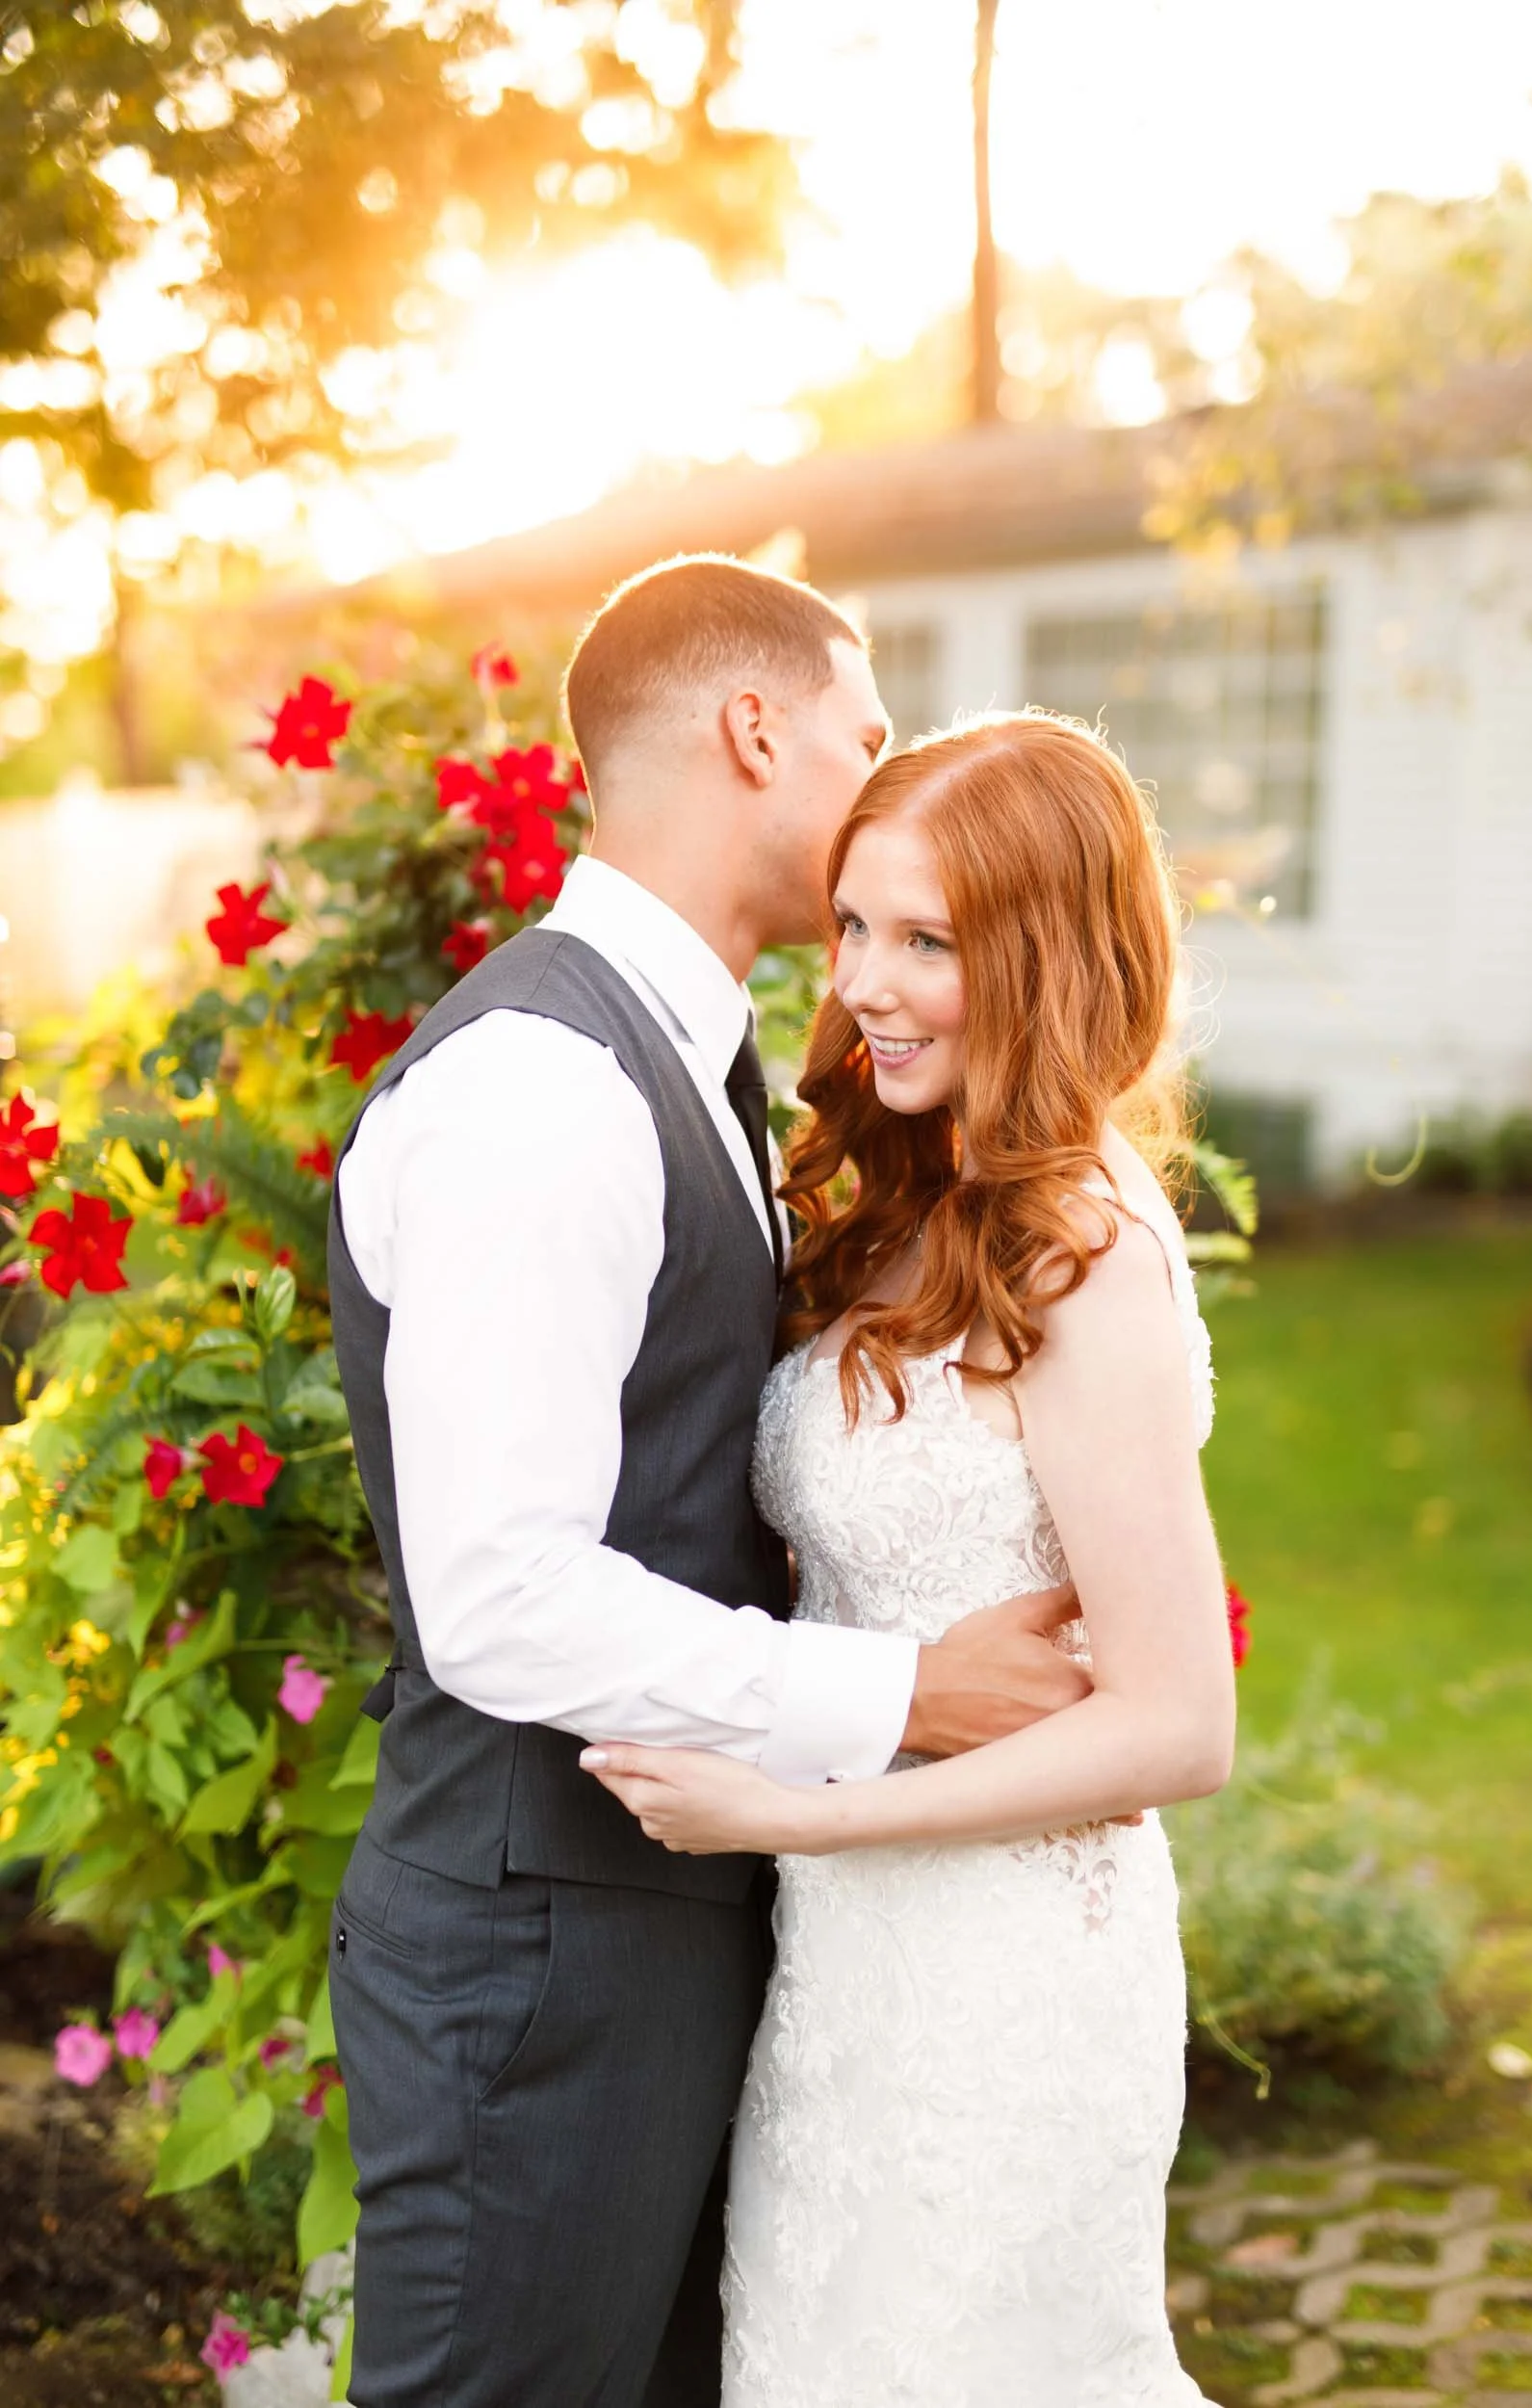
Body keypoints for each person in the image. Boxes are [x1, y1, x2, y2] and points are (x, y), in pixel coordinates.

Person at [325, 561, 1089, 2408]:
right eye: (866, 735)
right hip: (540, 1956)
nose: (888, 780)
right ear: (756, 730)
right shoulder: (543, 1087)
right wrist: (903, 1695)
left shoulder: (682, 1054)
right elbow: (501, 1591)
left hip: (642, 1927)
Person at [584, 712, 1235, 2407]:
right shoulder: (906, 1193)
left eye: (928, 940)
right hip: (852, 1952)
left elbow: (1176, 1727)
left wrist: (798, 1812)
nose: (863, 980)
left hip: (1006, 1979)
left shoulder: (1081, 1247)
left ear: (1044, 957)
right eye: (855, 923)